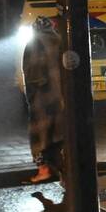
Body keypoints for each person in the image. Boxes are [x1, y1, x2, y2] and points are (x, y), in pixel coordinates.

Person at [23, 16, 65, 184]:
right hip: (60, 96)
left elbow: (33, 72)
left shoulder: (35, 44)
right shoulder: (60, 41)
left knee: (39, 135)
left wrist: (31, 95)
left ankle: (44, 170)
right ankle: (63, 169)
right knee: (58, 134)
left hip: (42, 96)